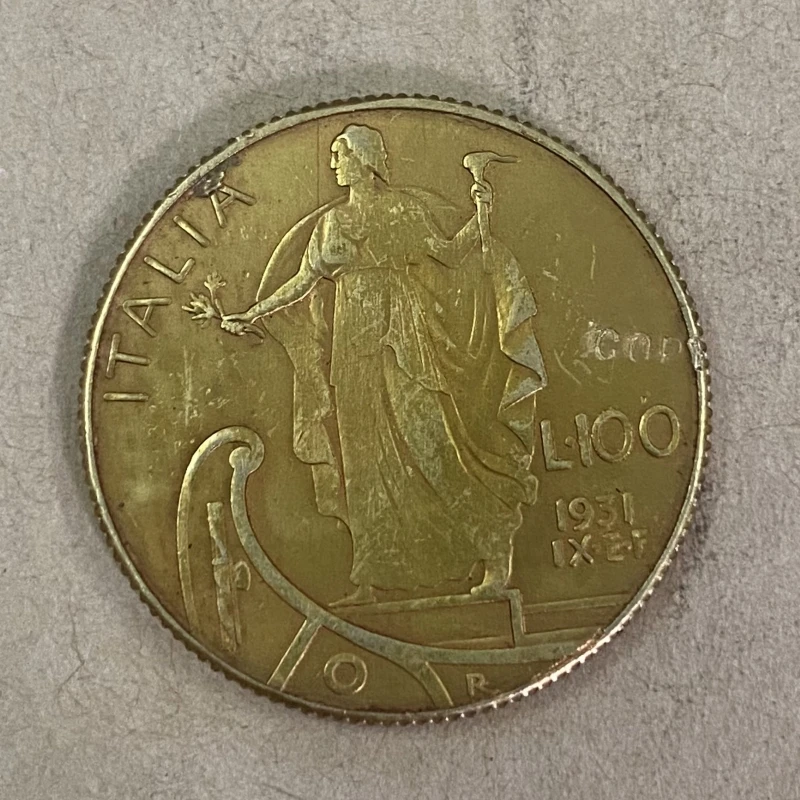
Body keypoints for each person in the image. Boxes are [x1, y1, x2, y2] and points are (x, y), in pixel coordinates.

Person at [222, 124, 546, 605]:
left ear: (365, 159)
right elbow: (302, 281)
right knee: (363, 460)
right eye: (333, 155)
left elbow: (450, 255)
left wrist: (482, 212)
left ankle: (495, 553)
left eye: (340, 155)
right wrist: (253, 313)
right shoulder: (331, 223)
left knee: (434, 445)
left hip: (405, 338)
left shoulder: (403, 209)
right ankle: (369, 577)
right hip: (354, 344)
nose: (333, 163)